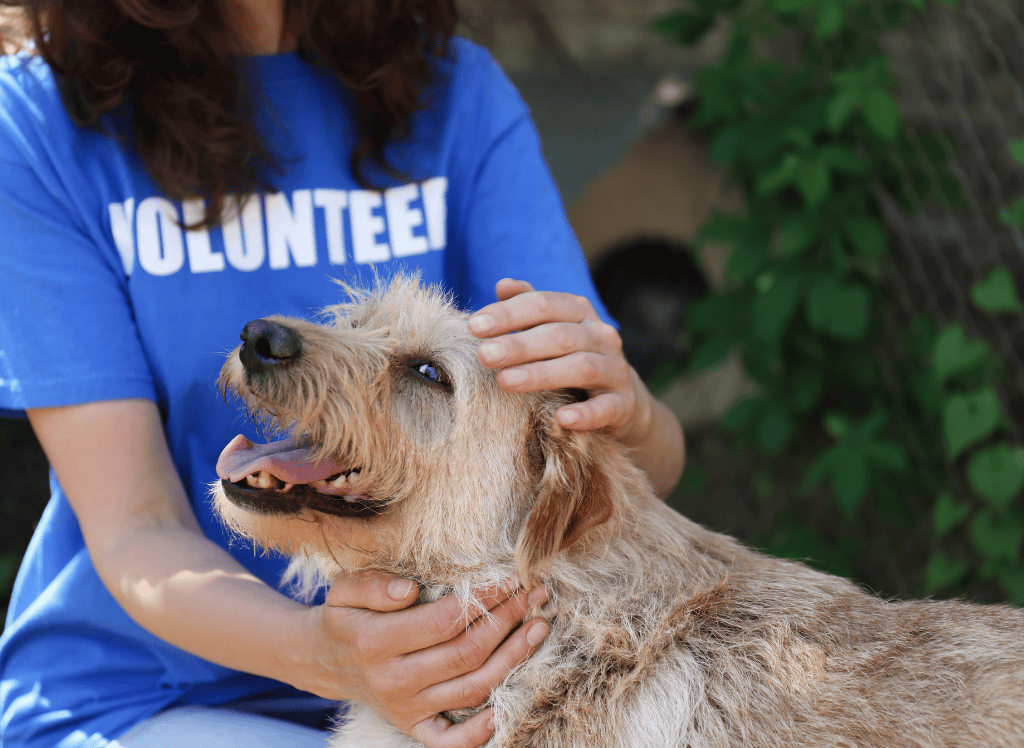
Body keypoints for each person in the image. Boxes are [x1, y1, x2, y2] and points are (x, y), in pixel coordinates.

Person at [0, 0, 685, 746]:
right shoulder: (38, 118)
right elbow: (137, 525)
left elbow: (618, 463)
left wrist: (633, 415)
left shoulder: (455, 92)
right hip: (148, 698)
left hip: (457, 686)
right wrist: (328, 658)